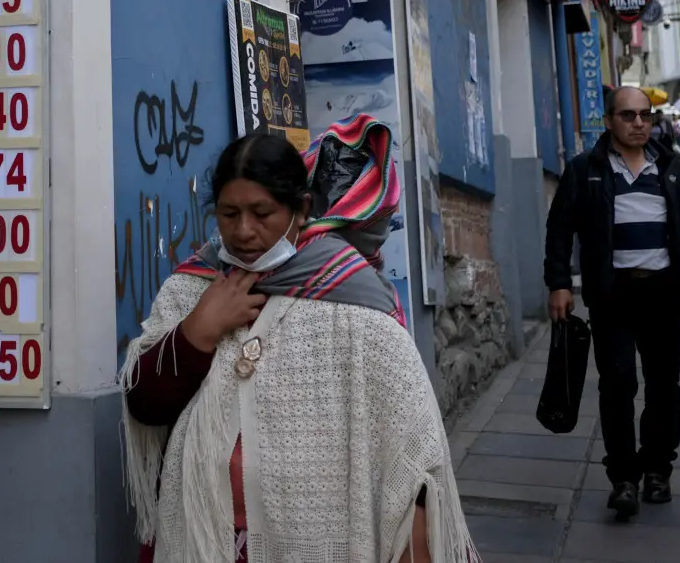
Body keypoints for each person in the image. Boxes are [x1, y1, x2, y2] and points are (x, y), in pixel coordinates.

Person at [122, 118, 478, 563]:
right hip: (202, 538)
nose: (245, 231)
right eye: (229, 215)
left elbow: (410, 435)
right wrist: (199, 330)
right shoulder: (193, 287)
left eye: (263, 213)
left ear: (301, 210)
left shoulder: (355, 297)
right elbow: (144, 405)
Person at [544, 86, 680, 519]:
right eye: (628, 116)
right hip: (612, 296)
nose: (639, 123)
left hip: (663, 294)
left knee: (664, 388)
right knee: (617, 384)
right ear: (609, 120)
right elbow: (559, 230)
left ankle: (657, 471)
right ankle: (624, 479)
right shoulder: (586, 171)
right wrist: (559, 284)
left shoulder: (668, 168)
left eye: (645, 115)